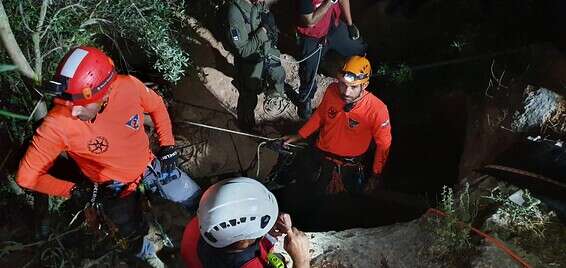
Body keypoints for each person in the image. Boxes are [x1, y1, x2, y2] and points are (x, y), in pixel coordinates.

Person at [16, 46, 200, 267]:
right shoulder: (57, 125)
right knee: (130, 231)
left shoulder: (128, 86)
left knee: (194, 198)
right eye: (66, 103)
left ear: (103, 92)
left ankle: (212, 234)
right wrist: (74, 191)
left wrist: (167, 145)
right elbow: (26, 177)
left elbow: (157, 105)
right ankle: (147, 254)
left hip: (149, 164)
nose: (72, 112)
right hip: (112, 189)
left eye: (79, 105)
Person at [283, 56, 391, 195]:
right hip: (320, 156)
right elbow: (320, 115)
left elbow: (383, 145)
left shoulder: (377, 109)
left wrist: (376, 174)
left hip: (347, 167)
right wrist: (299, 135)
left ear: (364, 85)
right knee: (305, 190)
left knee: (336, 204)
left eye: (353, 87)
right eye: (342, 84)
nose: (346, 92)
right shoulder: (332, 91)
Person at [181, 177, 311, 268]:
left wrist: (267, 234)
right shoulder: (250, 265)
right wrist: (302, 261)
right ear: (244, 241)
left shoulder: (200, 225)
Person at [294, 0, 367, 119]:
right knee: (308, 71)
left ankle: (354, 88)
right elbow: (310, 22)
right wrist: (329, 1)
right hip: (312, 35)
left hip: (332, 28)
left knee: (358, 48)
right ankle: (305, 98)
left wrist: (350, 24)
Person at [226, 0, 287, 130]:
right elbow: (243, 50)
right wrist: (263, 31)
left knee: (278, 73)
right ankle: (246, 124)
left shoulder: (257, 3)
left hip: (266, 50)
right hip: (249, 58)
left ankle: (274, 96)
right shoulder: (235, 12)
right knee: (249, 94)